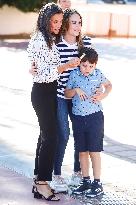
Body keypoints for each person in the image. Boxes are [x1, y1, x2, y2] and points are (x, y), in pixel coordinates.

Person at [30, 8, 92, 192]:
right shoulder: (55, 41)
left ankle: (78, 172)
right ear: (66, 23)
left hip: (77, 96)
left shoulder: (85, 43)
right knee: (61, 134)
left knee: (81, 132)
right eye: (73, 22)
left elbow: (93, 66)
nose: (77, 26)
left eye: (80, 22)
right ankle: (54, 174)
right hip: (58, 96)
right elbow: (42, 63)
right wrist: (32, 69)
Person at [65, 47, 112, 197]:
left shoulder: (98, 74)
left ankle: (97, 183)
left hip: (94, 117)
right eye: (84, 65)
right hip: (78, 118)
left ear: (95, 66)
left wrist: (102, 95)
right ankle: (86, 181)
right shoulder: (74, 75)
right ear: (79, 63)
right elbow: (66, 93)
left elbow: (109, 85)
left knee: (94, 151)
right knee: (82, 152)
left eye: (91, 66)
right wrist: (76, 90)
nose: (88, 69)